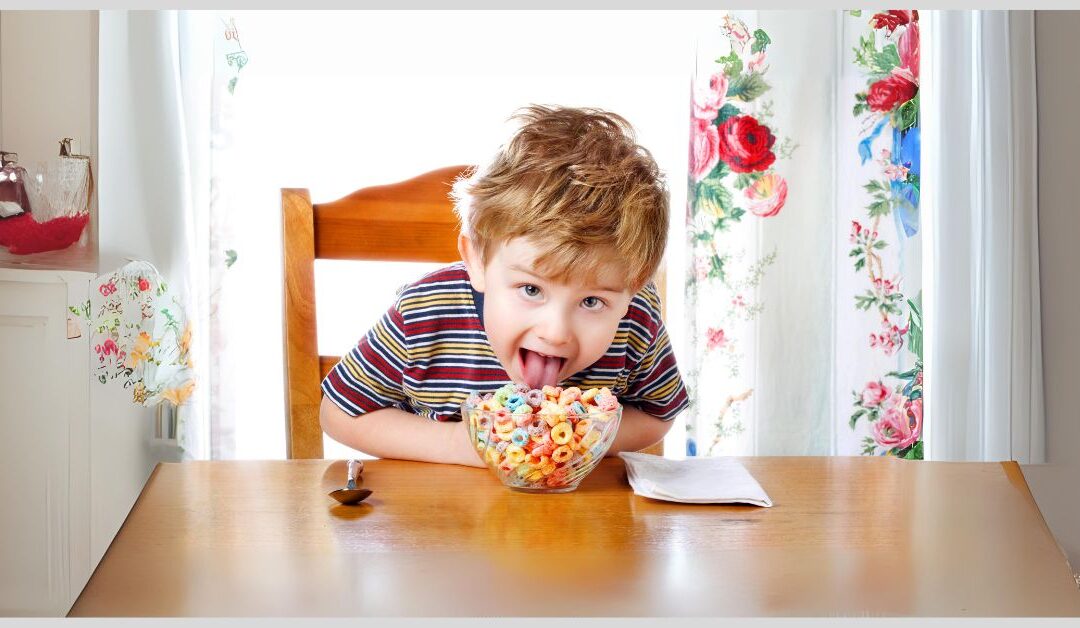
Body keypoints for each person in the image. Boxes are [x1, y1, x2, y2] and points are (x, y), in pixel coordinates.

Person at [320, 105, 689, 466]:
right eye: (531, 290)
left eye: (592, 301)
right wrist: (459, 444)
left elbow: (658, 413)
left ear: (633, 287)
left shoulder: (636, 318)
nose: (556, 333)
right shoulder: (425, 310)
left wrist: (583, 439)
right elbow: (339, 413)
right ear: (477, 261)